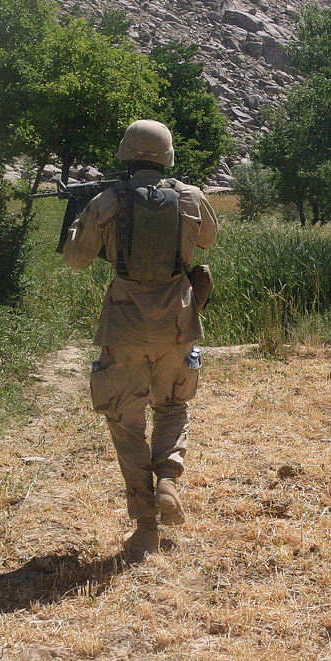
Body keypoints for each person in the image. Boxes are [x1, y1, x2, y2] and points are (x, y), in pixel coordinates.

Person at [63, 119, 218, 556]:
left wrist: (81, 217)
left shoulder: (108, 200)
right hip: (177, 323)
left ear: (126, 153)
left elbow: (76, 260)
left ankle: (146, 522)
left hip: (124, 326)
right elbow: (208, 240)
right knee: (172, 406)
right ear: (167, 155)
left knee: (125, 422)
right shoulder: (190, 197)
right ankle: (168, 476)